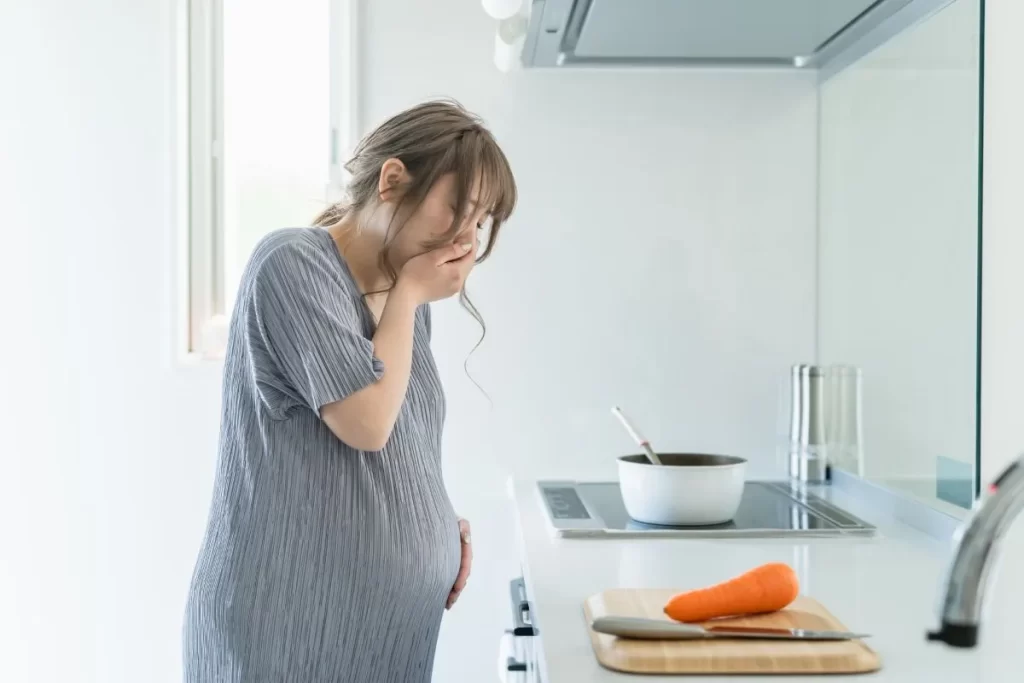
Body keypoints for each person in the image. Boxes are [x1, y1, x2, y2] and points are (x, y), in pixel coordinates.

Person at [183, 99, 517, 683]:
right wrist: (411, 295)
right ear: (392, 181)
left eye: (481, 219)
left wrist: (437, 521)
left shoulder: (401, 299)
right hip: (286, 634)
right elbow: (366, 423)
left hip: (383, 637)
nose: (466, 237)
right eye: (458, 209)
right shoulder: (291, 265)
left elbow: (400, 444)